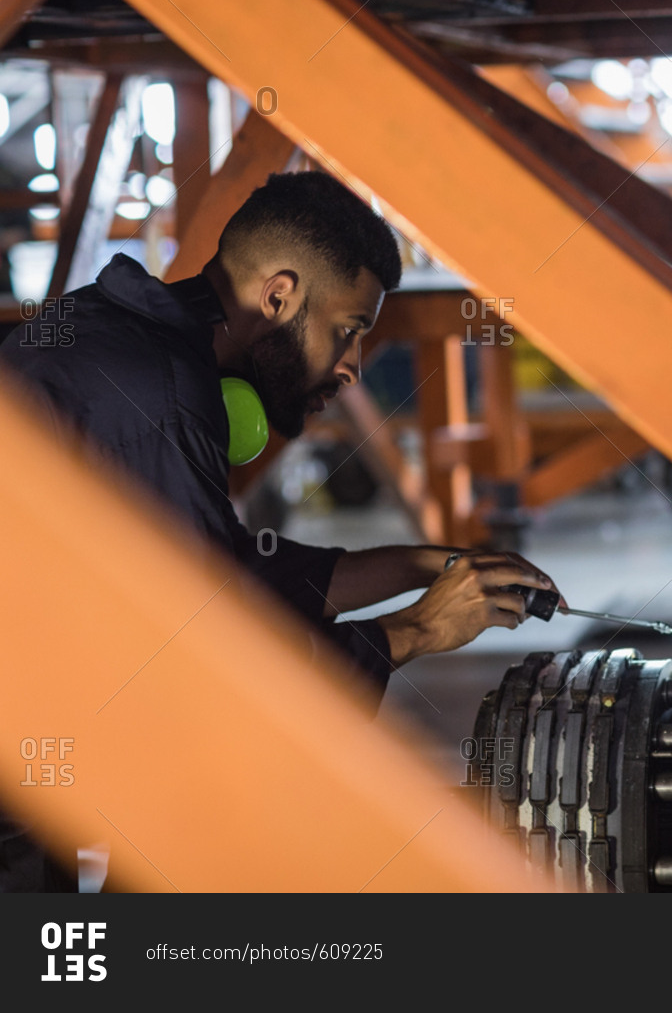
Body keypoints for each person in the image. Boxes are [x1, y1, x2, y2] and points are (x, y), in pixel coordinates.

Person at [0, 170, 560, 891]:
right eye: (348, 331)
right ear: (279, 295)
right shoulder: (158, 396)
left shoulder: (117, 336)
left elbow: (222, 572)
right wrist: (416, 631)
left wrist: (431, 563)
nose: (355, 367)